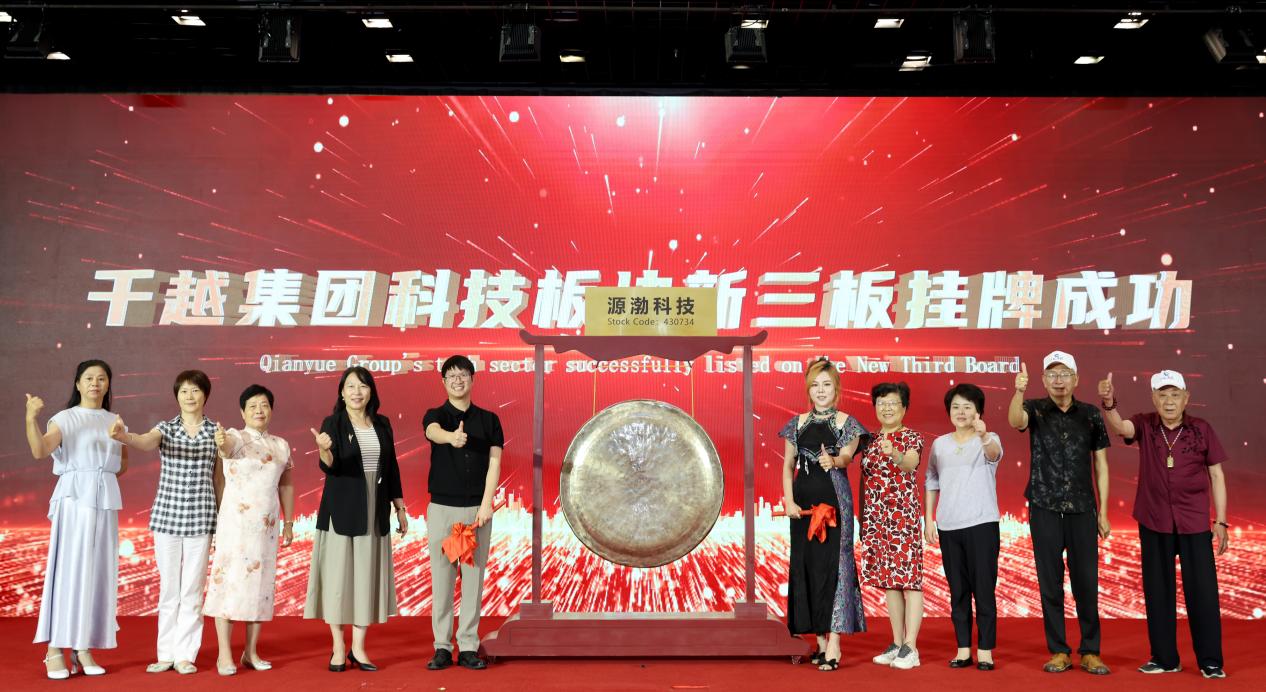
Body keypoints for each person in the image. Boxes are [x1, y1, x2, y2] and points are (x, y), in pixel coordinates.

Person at [1098, 370, 1228, 679]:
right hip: (1154, 519)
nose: (1169, 401)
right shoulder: (1145, 424)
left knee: (1203, 593)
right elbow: (1120, 427)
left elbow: (1217, 475)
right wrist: (1109, 403)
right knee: (1158, 591)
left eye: (1175, 395)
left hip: (1194, 521)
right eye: (1163, 395)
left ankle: (1210, 661)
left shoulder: (1201, 429)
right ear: (1154, 398)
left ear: (1186, 398)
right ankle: (1165, 658)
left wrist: (1221, 521)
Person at [1008, 351, 1111, 675]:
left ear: (1076, 379)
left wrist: (1103, 511)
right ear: (1044, 380)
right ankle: (1059, 651)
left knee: (1086, 582)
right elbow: (1015, 421)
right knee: (1050, 583)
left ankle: (1090, 651)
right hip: (1044, 507)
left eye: (1064, 373)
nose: (1058, 380)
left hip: (1082, 508)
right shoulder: (1035, 408)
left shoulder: (1091, 414)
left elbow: (1101, 465)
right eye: (1052, 374)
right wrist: (1019, 391)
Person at [112, 370, 220, 675]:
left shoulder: (216, 431)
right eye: (184, 391)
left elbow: (219, 478)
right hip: (167, 517)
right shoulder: (166, 428)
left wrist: (221, 516)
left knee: (192, 590)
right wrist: (124, 437)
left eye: (195, 390)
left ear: (205, 395)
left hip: (201, 517)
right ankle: (166, 654)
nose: (189, 396)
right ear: (177, 396)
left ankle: (186, 655)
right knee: (169, 588)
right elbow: (146, 442)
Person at [27, 360, 128, 679]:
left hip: (104, 500)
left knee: (97, 573)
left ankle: (82, 646)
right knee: (70, 571)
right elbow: (40, 450)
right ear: (78, 383)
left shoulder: (114, 419)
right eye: (89, 378)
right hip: (75, 501)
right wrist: (31, 418)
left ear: (108, 384)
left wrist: (104, 468)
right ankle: (55, 648)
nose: (95, 383)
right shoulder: (65, 418)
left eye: (102, 378)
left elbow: (122, 465)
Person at [304, 366, 406, 673]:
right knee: (339, 580)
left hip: (375, 508)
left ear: (371, 391)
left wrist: (399, 507)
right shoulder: (333, 423)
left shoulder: (383, 423)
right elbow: (331, 466)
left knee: (365, 578)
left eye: (362, 386)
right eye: (350, 386)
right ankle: (338, 647)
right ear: (341, 392)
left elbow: (391, 467)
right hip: (342, 509)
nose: (357, 392)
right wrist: (323, 451)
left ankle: (359, 648)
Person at [778, 358, 867, 672]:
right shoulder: (796, 424)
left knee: (836, 568)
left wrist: (835, 461)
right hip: (802, 508)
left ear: (836, 388)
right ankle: (819, 640)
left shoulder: (848, 424)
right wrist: (789, 501)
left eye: (826, 384)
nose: (820, 390)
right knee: (809, 567)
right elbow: (788, 466)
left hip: (835, 505)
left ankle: (835, 643)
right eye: (815, 385)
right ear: (808, 389)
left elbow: (847, 456)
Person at [203, 384, 295, 676]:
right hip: (236, 526)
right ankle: (224, 654)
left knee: (260, 587)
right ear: (242, 412)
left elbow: (286, 485)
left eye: (264, 405)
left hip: (267, 527)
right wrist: (220, 441)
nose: (259, 410)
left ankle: (251, 652)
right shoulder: (235, 436)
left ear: (271, 410)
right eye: (253, 405)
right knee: (229, 585)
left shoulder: (281, 445)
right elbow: (224, 447)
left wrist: (289, 522)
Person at [423, 355, 504, 671]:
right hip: (443, 509)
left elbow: (494, 463)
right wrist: (451, 438)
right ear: (444, 382)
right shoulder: (436, 415)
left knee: (473, 581)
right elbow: (432, 432)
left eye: (463, 375)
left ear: (472, 379)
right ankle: (442, 647)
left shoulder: (489, 420)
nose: (458, 380)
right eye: (451, 376)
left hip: (475, 512)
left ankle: (468, 645)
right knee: (442, 581)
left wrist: (486, 504)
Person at [924, 383, 1003, 672]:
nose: (961, 412)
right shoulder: (940, 444)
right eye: (955, 407)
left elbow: (994, 454)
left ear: (978, 411)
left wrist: (983, 435)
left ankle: (985, 650)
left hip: (982, 524)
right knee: (957, 590)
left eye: (967, 407)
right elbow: (931, 480)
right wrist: (928, 518)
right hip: (949, 525)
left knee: (983, 590)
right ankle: (963, 649)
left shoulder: (989, 438)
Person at [859, 382, 926, 670]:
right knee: (890, 581)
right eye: (881, 403)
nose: (887, 408)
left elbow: (910, 463)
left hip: (902, 518)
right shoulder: (870, 439)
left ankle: (911, 647)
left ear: (904, 408)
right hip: (877, 519)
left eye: (893, 403)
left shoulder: (911, 437)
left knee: (910, 581)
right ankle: (897, 643)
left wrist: (895, 454)